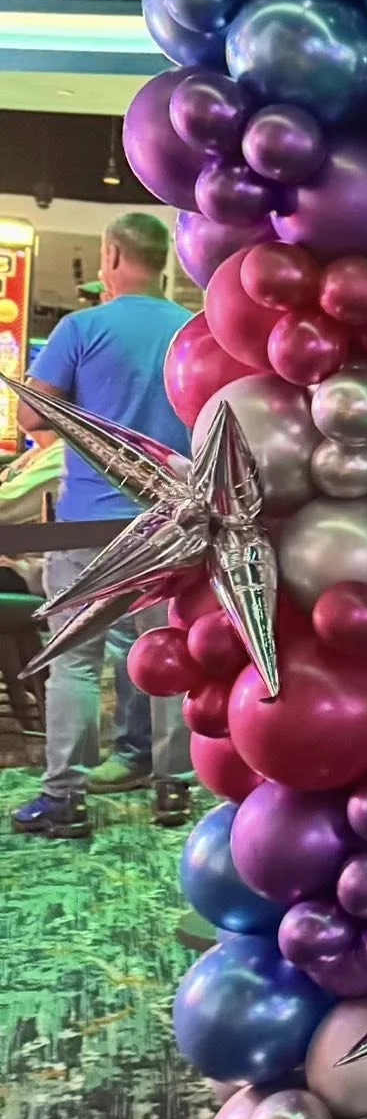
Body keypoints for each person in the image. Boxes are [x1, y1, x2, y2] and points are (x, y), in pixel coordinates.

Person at [12, 213, 194, 839]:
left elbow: (31, 417)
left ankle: (64, 799)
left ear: (112, 254)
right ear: (163, 260)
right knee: (169, 656)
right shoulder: (193, 331)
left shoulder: (81, 327)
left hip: (88, 525)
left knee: (77, 663)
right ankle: (174, 788)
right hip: (171, 527)